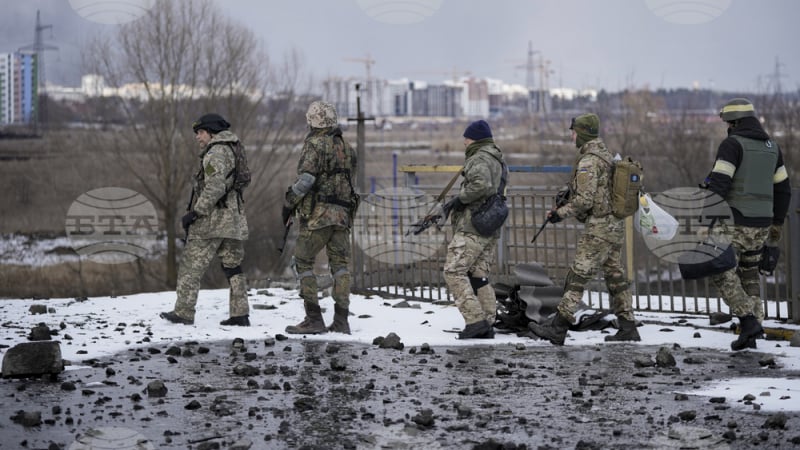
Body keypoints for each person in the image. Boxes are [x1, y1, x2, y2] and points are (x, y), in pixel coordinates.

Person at [528, 113, 640, 345]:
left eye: (574, 131)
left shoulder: (589, 161)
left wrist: (560, 213)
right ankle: (628, 326)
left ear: (582, 133)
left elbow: (585, 200)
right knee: (615, 276)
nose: (572, 136)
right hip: (614, 225)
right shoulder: (606, 155)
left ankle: (558, 329)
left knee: (578, 277)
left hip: (599, 228)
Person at [705, 98, 791, 350]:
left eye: (728, 123)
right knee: (749, 273)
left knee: (720, 271)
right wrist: (775, 230)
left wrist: (708, 222)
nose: (726, 128)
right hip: (762, 224)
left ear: (735, 123)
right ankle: (752, 332)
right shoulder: (772, 147)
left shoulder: (732, 145)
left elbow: (719, 184)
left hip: (734, 221)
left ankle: (748, 320)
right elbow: (784, 190)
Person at [160, 113, 250, 326]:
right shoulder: (234, 148)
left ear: (211, 132)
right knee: (233, 267)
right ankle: (240, 314)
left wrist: (196, 212)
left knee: (191, 265)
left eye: (200, 132)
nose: (197, 137)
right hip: (234, 219)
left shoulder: (215, 153)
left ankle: (183, 312)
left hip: (212, 220)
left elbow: (215, 186)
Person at [283, 101, 358, 335]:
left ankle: (313, 318)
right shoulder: (347, 147)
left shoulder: (314, 144)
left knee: (303, 261)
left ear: (312, 120)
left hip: (318, 216)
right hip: (343, 215)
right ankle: (342, 320)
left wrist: (288, 203)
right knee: (341, 266)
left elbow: (306, 180)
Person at [442, 120, 506, 339]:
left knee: (453, 271)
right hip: (490, 225)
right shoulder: (497, 157)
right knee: (479, 274)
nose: (464, 142)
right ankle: (487, 322)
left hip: (473, 225)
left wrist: (460, 199)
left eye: (466, 138)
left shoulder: (479, 158)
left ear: (475, 139)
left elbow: (481, 185)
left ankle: (475, 321)